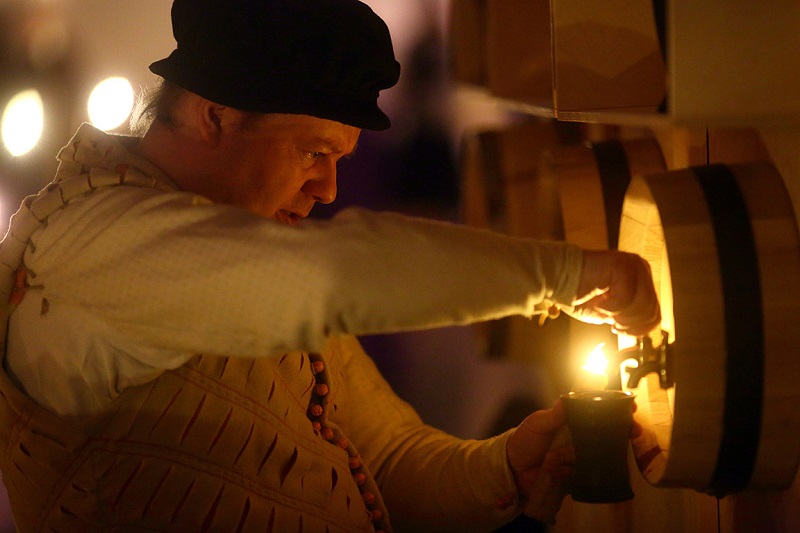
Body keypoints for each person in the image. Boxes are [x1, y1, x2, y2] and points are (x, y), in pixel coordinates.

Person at [0, 1, 660, 532]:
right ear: (214, 117)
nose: (328, 190)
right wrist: (569, 277)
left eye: (340, 159)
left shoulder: (247, 242)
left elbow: (386, 457)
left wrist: (506, 466)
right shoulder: (90, 245)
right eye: (313, 152)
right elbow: (330, 276)